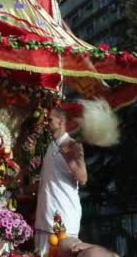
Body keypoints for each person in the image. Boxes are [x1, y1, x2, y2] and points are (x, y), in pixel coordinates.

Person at [34, 108, 87, 257]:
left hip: (64, 217)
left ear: (61, 121)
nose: (47, 123)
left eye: (50, 120)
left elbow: (83, 178)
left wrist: (70, 159)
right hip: (45, 216)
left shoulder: (72, 144)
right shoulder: (51, 146)